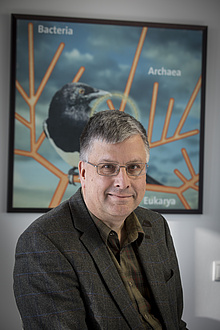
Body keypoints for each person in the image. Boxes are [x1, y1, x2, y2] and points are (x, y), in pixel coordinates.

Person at [13, 110, 188, 329]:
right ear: (83, 173)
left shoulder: (156, 226)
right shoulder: (43, 244)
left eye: (134, 167)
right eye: (107, 167)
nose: (123, 182)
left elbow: (174, 322)